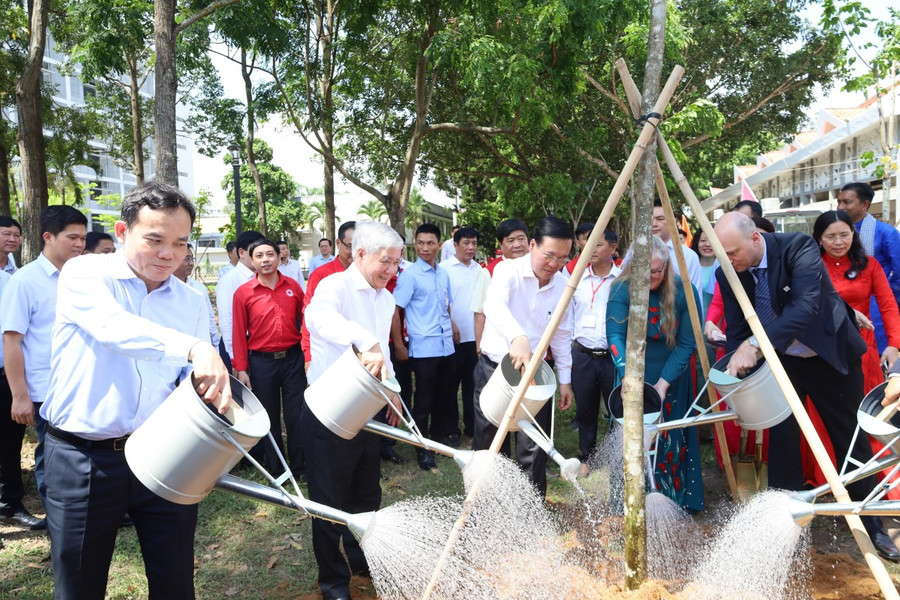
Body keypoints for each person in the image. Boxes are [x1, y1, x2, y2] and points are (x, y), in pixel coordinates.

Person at [41, 180, 232, 598]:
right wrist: (195, 347)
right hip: (83, 457)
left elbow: (189, 385)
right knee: (79, 585)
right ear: (123, 232)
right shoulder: (84, 273)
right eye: (155, 240)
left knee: (175, 580)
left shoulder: (191, 301)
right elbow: (115, 329)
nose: (169, 254)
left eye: (181, 244)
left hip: (162, 456)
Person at [714, 211, 899, 561]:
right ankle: (788, 529)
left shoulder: (796, 246)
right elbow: (738, 326)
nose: (731, 262)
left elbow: (804, 308)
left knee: (850, 438)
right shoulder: (729, 269)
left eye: (734, 253)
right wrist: (733, 372)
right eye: (725, 256)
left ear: (755, 239)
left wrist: (753, 346)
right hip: (782, 360)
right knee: (783, 441)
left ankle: (874, 523)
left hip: (828, 355)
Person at [302, 221, 404, 600]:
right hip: (329, 412)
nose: (391, 271)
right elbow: (318, 319)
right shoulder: (334, 286)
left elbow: (384, 355)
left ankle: (362, 559)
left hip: (368, 410)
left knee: (366, 493)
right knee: (328, 502)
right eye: (385, 261)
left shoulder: (386, 298)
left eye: (396, 263)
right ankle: (333, 582)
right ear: (360, 254)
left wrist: (392, 391)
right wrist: (365, 340)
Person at [474, 216, 574, 497]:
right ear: (533, 245)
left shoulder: (564, 285)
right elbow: (492, 303)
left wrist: (564, 380)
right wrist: (518, 338)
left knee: (534, 446)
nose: (554, 265)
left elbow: (563, 334)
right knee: (490, 444)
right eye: (549, 256)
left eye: (563, 259)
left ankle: (531, 509)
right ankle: (486, 505)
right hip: (495, 368)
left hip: (535, 375)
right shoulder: (508, 271)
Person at [1, 205, 87, 522]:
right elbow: (12, 340)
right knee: (50, 457)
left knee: (76, 454)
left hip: (80, 383)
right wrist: (20, 394)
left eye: (83, 237)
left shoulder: (84, 278)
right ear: (48, 237)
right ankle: (58, 521)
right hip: (45, 389)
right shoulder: (25, 281)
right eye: (72, 237)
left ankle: (79, 514)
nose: (80, 244)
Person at [607, 236, 704, 511]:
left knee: (669, 437)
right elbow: (614, 333)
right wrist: (627, 373)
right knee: (633, 437)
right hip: (632, 370)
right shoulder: (620, 289)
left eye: (656, 271)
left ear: (667, 267)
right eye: (643, 271)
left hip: (671, 372)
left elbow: (687, 343)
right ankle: (629, 502)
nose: (650, 277)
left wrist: (663, 384)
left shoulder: (685, 291)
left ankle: (673, 502)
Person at [232, 238, 306, 475]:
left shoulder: (293, 286)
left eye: (270, 254)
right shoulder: (243, 293)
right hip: (262, 363)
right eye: (260, 256)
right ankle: (278, 469)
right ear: (252, 261)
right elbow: (238, 333)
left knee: (296, 415)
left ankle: (300, 466)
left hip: (293, 359)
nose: (266, 260)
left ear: (279, 257)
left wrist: (308, 355)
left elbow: (306, 322)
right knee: (269, 416)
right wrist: (241, 368)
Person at [393, 223, 456, 467]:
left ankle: (439, 440)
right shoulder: (410, 275)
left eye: (430, 243)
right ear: (415, 244)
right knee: (424, 399)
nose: (425, 248)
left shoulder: (443, 273)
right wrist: (399, 345)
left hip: (446, 345)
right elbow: (395, 310)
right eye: (421, 243)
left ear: (439, 245)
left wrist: (453, 328)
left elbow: (445, 305)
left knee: (444, 396)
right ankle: (422, 447)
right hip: (423, 347)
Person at [570, 228, 619, 462]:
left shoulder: (622, 280)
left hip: (612, 356)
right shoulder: (575, 279)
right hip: (582, 355)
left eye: (598, 245)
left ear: (613, 248)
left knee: (615, 406)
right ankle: (587, 454)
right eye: (589, 244)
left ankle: (615, 454)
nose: (592, 249)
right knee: (585, 407)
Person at [838, 182, 900, 353]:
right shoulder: (833, 232)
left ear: (864, 204)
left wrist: (887, 297)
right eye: (839, 202)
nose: (840, 207)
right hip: (839, 307)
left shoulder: (886, 233)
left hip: (875, 311)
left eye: (847, 202)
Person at [443, 227, 482, 439]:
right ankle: (451, 430)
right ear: (455, 244)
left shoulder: (479, 269)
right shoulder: (444, 269)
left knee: (473, 385)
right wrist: (451, 324)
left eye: (474, 243)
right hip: (453, 338)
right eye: (466, 243)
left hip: (475, 338)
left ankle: (472, 425)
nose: (470, 247)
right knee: (450, 386)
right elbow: (442, 302)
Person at [302, 221, 356, 369]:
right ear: (338, 243)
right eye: (350, 246)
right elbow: (309, 315)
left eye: (360, 247)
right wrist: (308, 355)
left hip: (361, 352)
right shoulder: (321, 275)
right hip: (328, 352)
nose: (355, 252)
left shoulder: (370, 276)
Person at [472, 218, 529, 352]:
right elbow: (480, 314)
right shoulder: (488, 272)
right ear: (500, 244)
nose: (517, 245)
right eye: (510, 240)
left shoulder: (537, 268)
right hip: (499, 349)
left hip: (530, 346)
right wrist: (479, 349)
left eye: (521, 239)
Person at [216, 230, 264, 362]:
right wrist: (235, 357)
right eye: (254, 251)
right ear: (241, 252)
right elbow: (227, 321)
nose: (260, 256)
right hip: (239, 346)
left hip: (261, 346)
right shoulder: (229, 281)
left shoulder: (263, 278)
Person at [650, 200, 702, 296]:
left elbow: (695, 298)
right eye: (650, 219)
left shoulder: (688, 256)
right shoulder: (633, 253)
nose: (654, 224)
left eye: (660, 219)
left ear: (673, 221)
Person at [174, 245, 220, 349]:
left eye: (192, 259)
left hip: (200, 348)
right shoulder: (162, 288)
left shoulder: (199, 288)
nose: (191, 263)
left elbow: (210, 318)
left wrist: (215, 344)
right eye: (187, 259)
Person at [691, 228, 718, 317]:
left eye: (712, 240)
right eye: (703, 240)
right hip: (691, 318)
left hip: (715, 321)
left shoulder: (723, 268)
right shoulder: (690, 265)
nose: (707, 244)